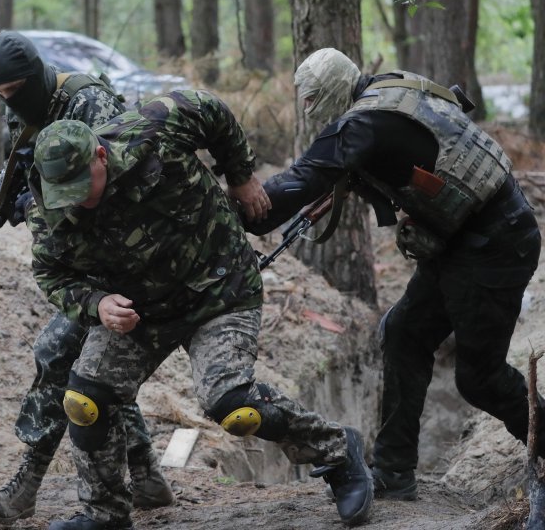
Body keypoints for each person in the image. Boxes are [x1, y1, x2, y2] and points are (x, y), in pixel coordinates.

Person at [26, 90, 374, 530]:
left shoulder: (151, 129)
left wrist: (241, 174)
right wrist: (96, 304)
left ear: (101, 154)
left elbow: (211, 111)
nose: (78, 200)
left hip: (219, 291)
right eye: (65, 192)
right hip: (142, 311)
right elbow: (52, 274)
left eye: (84, 184)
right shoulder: (49, 207)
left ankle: (339, 451)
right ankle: (105, 514)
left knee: (234, 408)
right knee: (84, 400)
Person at [246, 47, 543, 501]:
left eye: (310, 99)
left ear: (328, 92)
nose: (306, 110)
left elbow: (301, 180)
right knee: (403, 332)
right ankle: (393, 470)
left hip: (494, 245)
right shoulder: (390, 91)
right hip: (468, 239)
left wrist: (240, 210)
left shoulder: (363, 123)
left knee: (479, 379)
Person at [0, 30, 174, 527]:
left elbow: (116, 190)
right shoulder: (21, 107)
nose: (9, 101)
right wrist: (3, 192)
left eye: (15, 91)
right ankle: (146, 474)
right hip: (88, 264)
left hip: (130, 260)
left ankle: (27, 484)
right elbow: (26, 162)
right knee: (96, 370)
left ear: (36, 76)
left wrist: (37, 206)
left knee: (57, 355)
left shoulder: (91, 103)